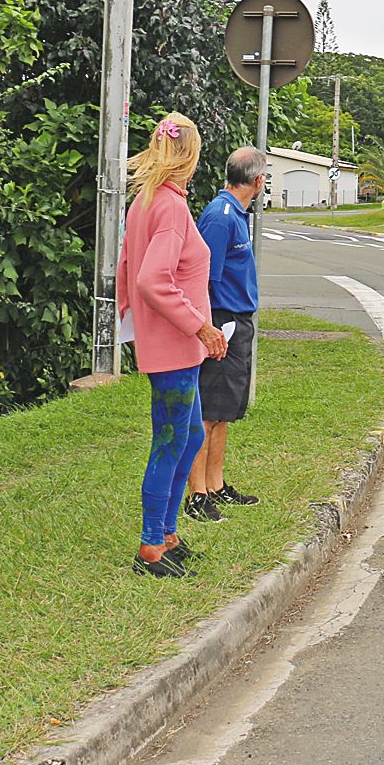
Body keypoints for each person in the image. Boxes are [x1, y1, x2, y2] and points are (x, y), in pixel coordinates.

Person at [117, 112, 228, 577]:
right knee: (169, 439)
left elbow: (127, 270)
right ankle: (151, 543)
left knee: (191, 434)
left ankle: (166, 532)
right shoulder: (169, 207)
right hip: (175, 343)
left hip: (172, 343)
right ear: (191, 155)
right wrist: (200, 326)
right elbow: (151, 279)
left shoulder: (147, 202)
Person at [186, 147, 268, 523]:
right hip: (223, 321)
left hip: (238, 320)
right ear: (257, 181)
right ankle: (197, 494)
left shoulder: (237, 214)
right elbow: (202, 279)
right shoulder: (220, 218)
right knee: (207, 411)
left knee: (223, 412)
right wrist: (210, 329)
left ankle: (216, 485)